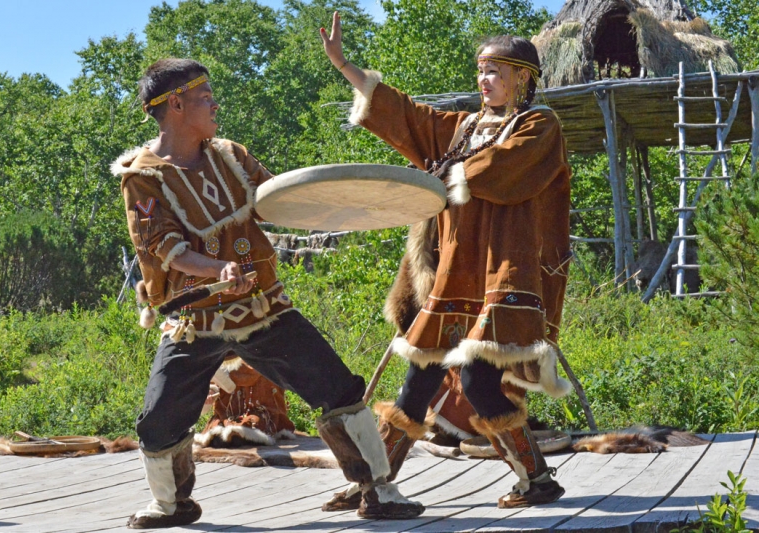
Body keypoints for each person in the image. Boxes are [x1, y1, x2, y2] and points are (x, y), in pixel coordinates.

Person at [114, 58, 425, 529]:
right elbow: (164, 248)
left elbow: (281, 201)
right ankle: (171, 504)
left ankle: (379, 488)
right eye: (204, 98)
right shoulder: (143, 177)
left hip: (262, 309)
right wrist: (217, 268)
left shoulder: (232, 157)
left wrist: (359, 204)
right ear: (175, 104)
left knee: (339, 389)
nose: (215, 105)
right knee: (159, 420)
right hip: (194, 322)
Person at [320, 13, 573, 509]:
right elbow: (408, 116)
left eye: (494, 71)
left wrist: (447, 175)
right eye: (480, 71)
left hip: (502, 272)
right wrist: (346, 66)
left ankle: (535, 479)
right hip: (452, 273)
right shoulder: (463, 128)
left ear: (523, 77)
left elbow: (503, 170)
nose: (483, 81)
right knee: (419, 375)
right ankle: (375, 480)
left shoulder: (538, 126)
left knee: (478, 378)